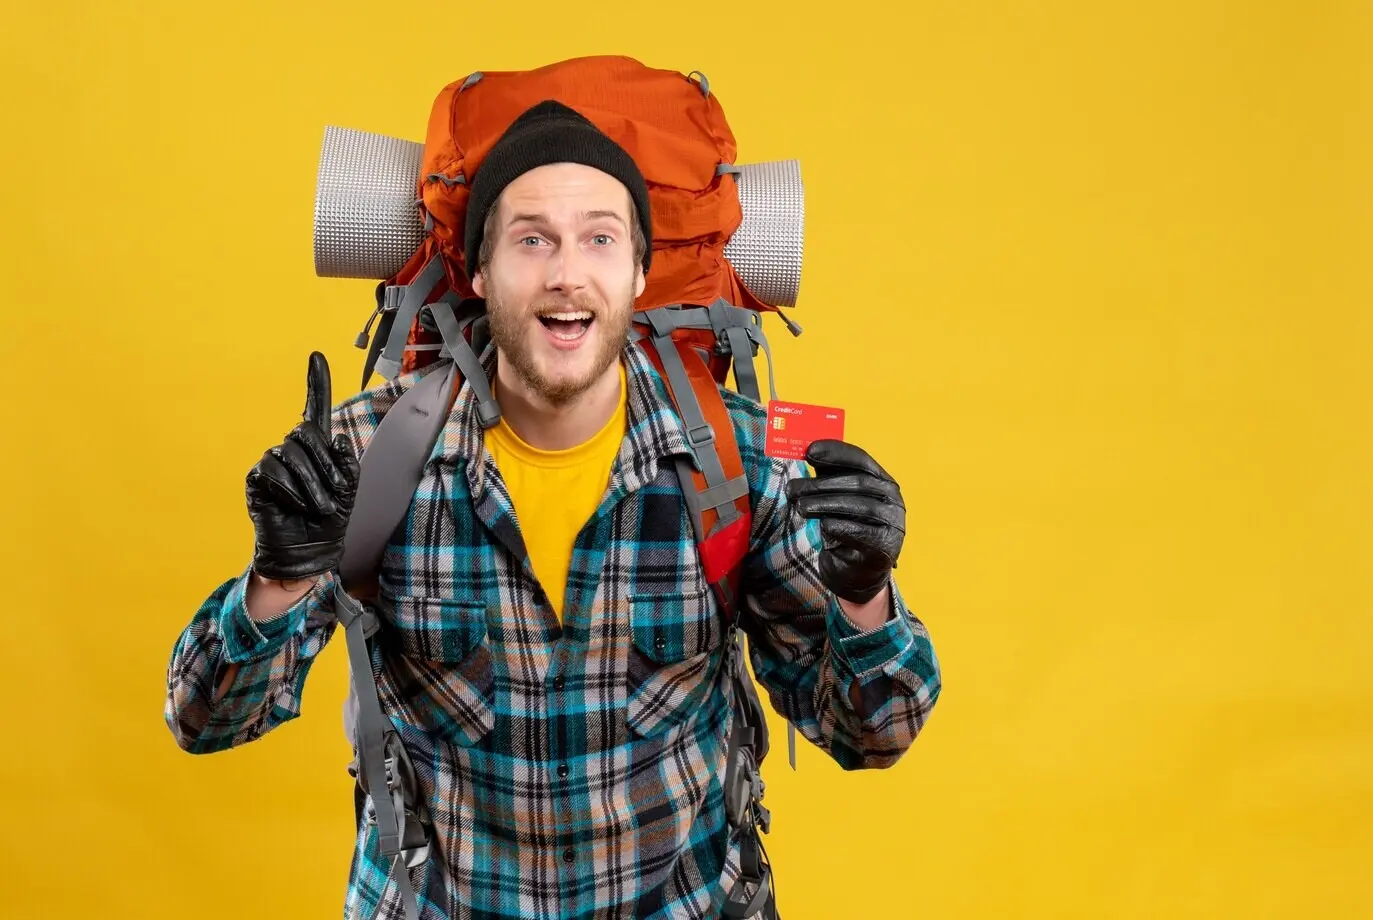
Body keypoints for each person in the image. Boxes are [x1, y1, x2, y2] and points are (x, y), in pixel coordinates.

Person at [164, 100, 942, 920]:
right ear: (482, 271)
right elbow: (204, 719)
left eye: (599, 238)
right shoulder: (367, 454)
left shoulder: (740, 461)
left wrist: (865, 601)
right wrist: (278, 580)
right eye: (531, 239)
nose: (567, 272)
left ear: (638, 274)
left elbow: (875, 735)